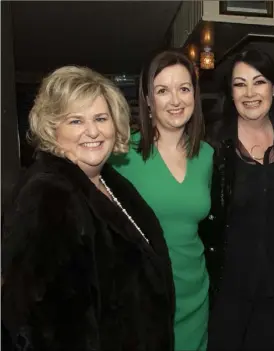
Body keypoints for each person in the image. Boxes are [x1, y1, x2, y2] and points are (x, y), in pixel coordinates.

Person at [1, 66, 175, 350]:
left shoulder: (109, 182)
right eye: (75, 121)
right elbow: (43, 328)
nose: (92, 131)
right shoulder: (48, 196)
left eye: (100, 118)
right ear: (52, 128)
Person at [110, 50, 212, 351]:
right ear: (149, 99)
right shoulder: (121, 154)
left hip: (196, 295)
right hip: (143, 298)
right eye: (163, 91)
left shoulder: (206, 155)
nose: (176, 100)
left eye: (184, 88)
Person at [200, 48, 274, 351]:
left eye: (259, 82)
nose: (250, 92)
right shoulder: (212, 144)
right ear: (230, 92)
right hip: (224, 297)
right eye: (239, 84)